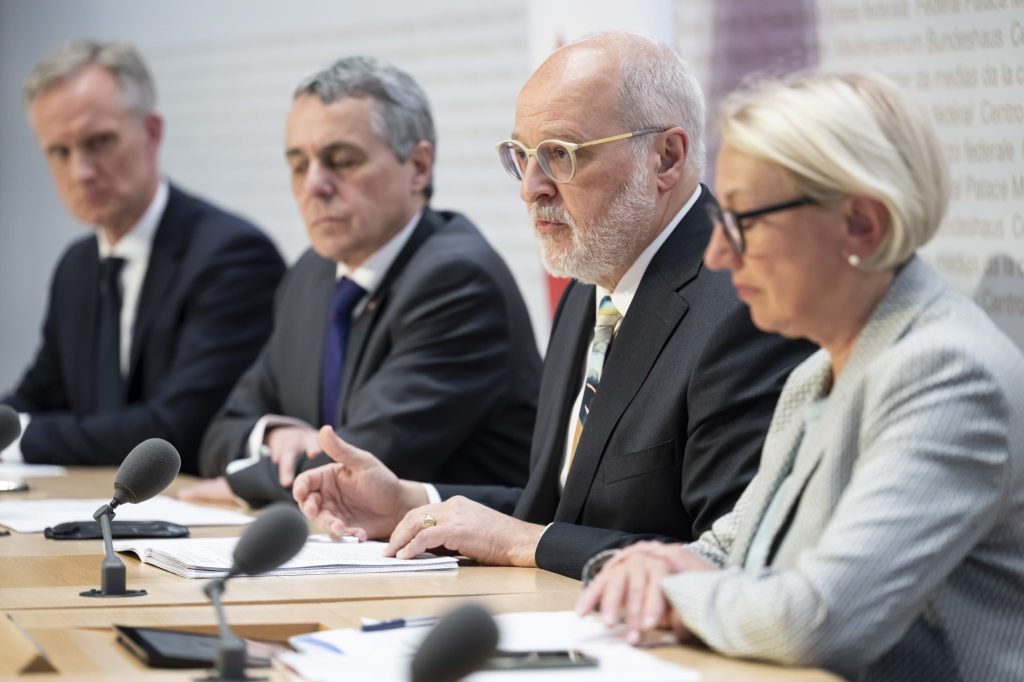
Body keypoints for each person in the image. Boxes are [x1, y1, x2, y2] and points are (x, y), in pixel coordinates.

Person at [292, 32, 814, 579]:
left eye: (561, 155)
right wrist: (409, 500)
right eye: (521, 156)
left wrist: (527, 542)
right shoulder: (592, 285)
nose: (531, 188)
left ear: (667, 157)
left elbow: (724, 555)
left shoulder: (745, 305)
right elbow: (570, 502)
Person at [576, 72, 1024, 681]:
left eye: (744, 223)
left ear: (862, 224)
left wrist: (671, 595)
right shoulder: (819, 370)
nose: (718, 255)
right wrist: (647, 567)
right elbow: (733, 548)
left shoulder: (947, 374)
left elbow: (818, 618)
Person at [179, 56, 540, 507]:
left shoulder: (458, 281)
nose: (315, 185)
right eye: (298, 165)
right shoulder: (312, 274)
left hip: (469, 566)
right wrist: (275, 433)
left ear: (419, 167)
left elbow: (357, 470)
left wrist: (241, 483)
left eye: (342, 161)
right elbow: (219, 433)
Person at [1, 41, 284, 474]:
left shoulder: (233, 257)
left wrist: (23, 437)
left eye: (99, 142)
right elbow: (39, 395)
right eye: (60, 151)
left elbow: (175, 432)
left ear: (152, 132)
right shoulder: (78, 266)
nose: (81, 171)